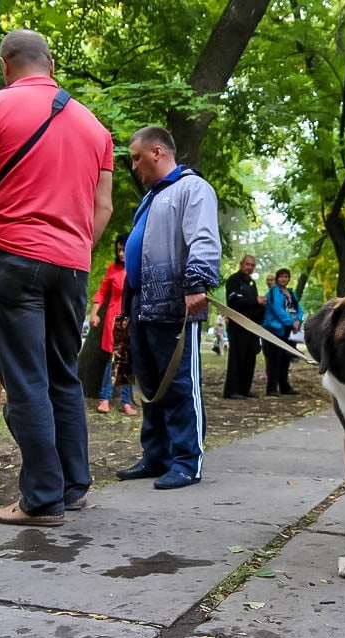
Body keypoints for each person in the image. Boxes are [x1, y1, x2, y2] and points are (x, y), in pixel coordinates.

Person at [0, 29, 114, 525]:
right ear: (52, 65)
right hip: (71, 265)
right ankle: (72, 485)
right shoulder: (95, 126)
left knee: (25, 382)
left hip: (11, 257)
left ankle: (41, 499)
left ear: (5, 65)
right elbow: (101, 206)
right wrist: (76, 249)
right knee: (63, 375)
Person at [115, 126, 220, 490]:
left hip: (177, 306)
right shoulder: (153, 196)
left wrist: (196, 284)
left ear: (158, 152)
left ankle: (187, 462)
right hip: (144, 306)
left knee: (178, 384)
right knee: (150, 385)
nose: (134, 166)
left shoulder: (193, 189)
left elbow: (203, 237)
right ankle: (156, 455)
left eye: (137, 157)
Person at [89, 233, 136, 416]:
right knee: (115, 359)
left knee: (128, 360)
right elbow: (101, 293)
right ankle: (105, 398)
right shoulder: (113, 269)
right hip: (114, 317)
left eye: (125, 249)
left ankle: (125, 401)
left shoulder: (138, 268)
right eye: (119, 250)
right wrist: (94, 313)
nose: (122, 254)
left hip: (132, 318)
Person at [223, 254, 265, 399]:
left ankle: (244, 389)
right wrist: (255, 300)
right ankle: (231, 390)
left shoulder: (252, 284)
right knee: (237, 357)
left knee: (250, 357)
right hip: (238, 326)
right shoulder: (233, 281)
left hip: (251, 327)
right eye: (247, 264)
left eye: (252, 265)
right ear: (241, 264)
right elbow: (234, 302)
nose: (249, 268)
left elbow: (256, 305)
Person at [262, 268, 303, 396]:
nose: (284, 279)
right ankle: (272, 388)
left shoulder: (291, 292)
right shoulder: (274, 292)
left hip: (289, 331)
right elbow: (277, 309)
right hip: (275, 330)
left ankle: (285, 386)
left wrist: (298, 320)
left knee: (286, 358)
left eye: (286, 277)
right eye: (281, 277)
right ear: (277, 278)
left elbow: (298, 308)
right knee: (274, 359)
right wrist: (291, 322)